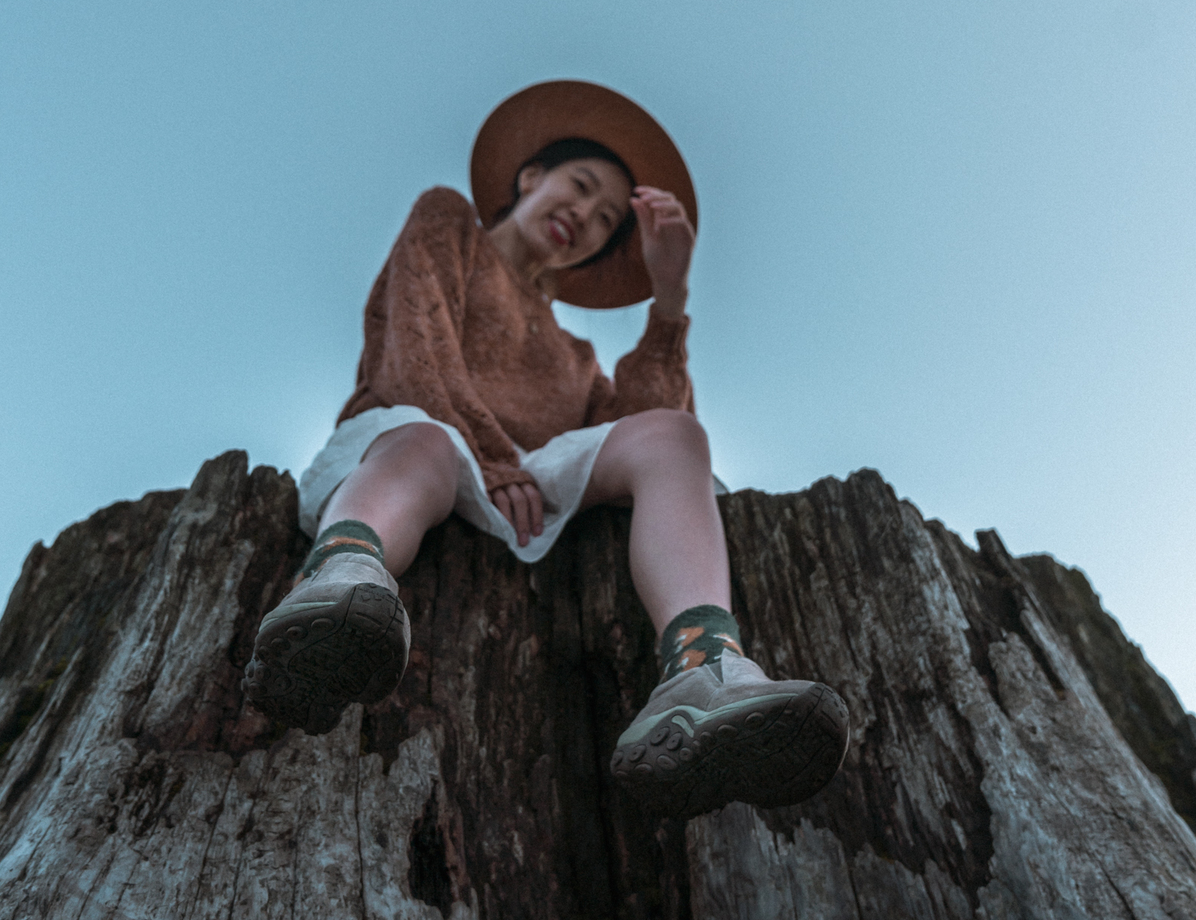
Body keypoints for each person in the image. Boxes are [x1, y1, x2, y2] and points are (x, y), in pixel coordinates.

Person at [245, 80, 848, 817]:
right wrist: (491, 457)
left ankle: (704, 665)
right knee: (426, 442)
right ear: (530, 177)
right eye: (580, 187)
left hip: (526, 480)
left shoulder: (578, 355)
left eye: (604, 222)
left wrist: (669, 300)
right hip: (422, 434)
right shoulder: (449, 223)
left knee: (677, 434)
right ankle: (340, 582)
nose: (585, 218)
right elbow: (415, 349)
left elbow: (640, 423)